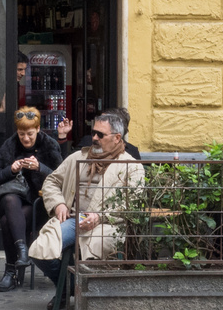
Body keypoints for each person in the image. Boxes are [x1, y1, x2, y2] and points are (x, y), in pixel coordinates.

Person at [32, 111, 143, 292]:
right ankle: (68, 289)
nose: (94, 138)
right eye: (93, 133)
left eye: (100, 134)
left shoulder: (131, 166)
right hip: (73, 219)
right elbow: (52, 181)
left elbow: (132, 203)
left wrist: (100, 217)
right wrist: (58, 203)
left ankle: (83, 296)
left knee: (95, 251)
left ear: (117, 138)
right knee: (40, 250)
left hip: (107, 224)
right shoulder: (78, 157)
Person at [0, 107, 64, 292]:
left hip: (42, 204)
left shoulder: (49, 145)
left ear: (38, 129)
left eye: (29, 134)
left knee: (6, 222)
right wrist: (10, 170)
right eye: (21, 134)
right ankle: (22, 252)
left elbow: (63, 179)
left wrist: (40, 168)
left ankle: (11, 271)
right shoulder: (10, 145)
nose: (25, 138)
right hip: (17, 203)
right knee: (10, 199)